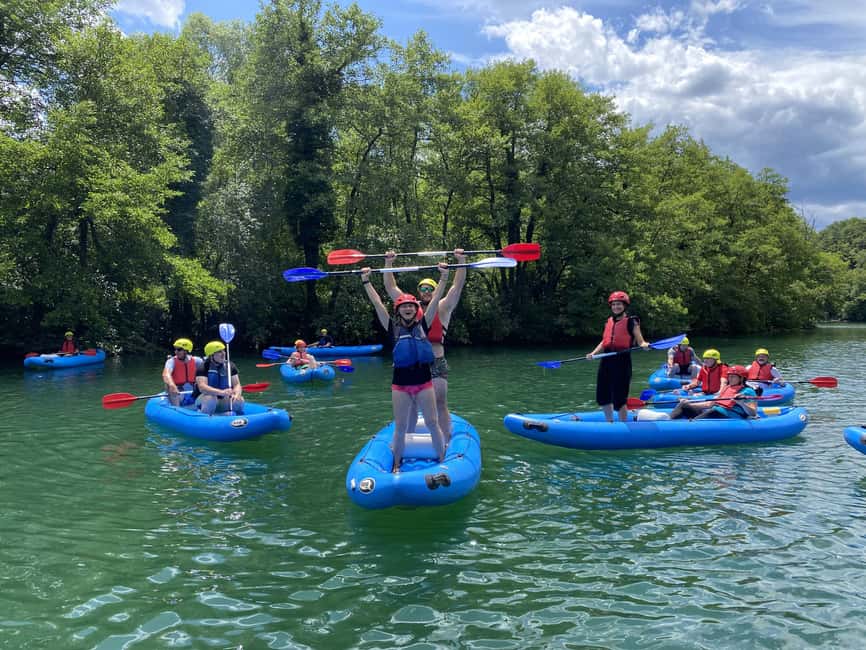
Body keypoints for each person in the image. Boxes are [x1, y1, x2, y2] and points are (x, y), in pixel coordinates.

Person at [360, 262, 450, 473]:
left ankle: (443, 458)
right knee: (400, 427)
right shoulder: (392, 327)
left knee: (432, 422)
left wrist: (444, 277)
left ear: (416, 309)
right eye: (404, 306)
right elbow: (377, 303)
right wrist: (366, 280)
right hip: (400, 386)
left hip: (424, 384)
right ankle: (397, 464)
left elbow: (436, 299)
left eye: (411, 305)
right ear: (399, 310)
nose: (408, 308)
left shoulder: (424, 324)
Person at [384, 248, 467, 438]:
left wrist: (461, 261)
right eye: (423, 288)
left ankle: (445, 439)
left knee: (440, 402)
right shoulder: (411, 309)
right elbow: (391, 288)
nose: (427, 291)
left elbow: (457, 286)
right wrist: (389, 263)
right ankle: (409, 440)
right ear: (419, 292)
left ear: (436, 289)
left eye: (430, 288)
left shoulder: (443, 306)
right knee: (411, 404)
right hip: (413, 365)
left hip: (436, 362)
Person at [586, 291, 650, 423]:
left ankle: (623, 425)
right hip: (606, 360)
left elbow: (640, 341)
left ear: (625, 306)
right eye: (614, 304)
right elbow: (605, 341)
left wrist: (645, 345)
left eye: (619, 304)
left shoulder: (632, 321)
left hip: (622, 360)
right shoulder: (608, 321)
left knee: (619, 397)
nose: (616, 307)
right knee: (603, 395)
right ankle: (609, 422)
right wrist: (593, 353)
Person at [669, 365, 757, 420]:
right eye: (729, 376)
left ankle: (692, 424)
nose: (730, 379)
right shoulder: (727, 388)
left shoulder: (748, 391)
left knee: (712, 412)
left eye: (733, 377)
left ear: (741, 378)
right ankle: (668, 420)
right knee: (684, 405)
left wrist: (741, 403)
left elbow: (753, 413)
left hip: (728, 415)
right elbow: (710, 404)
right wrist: (690, 403)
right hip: (714, 410)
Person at [194, 341, 245, 415]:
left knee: (239, 400)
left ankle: (232, 418)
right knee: (210, 398)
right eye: (219, 352)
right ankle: (204, 417)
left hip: (222, 399)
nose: (223, 353)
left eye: (223, 351)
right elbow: (202, 388)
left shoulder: (230, 365)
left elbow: (237, 384)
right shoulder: (203, 367)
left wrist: (237, 394)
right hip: (204, 399)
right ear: (211, 355)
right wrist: (221, 392)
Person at [162, 338, 204, 406]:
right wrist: (172, 385)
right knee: (171, 389)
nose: (176, 352)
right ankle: (176, 410)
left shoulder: (197, 361)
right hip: (178, 392)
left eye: (179, 349)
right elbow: (166, 374)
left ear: (186, 350)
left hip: (193, 392)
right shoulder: (171, 361)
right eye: (175, 349)